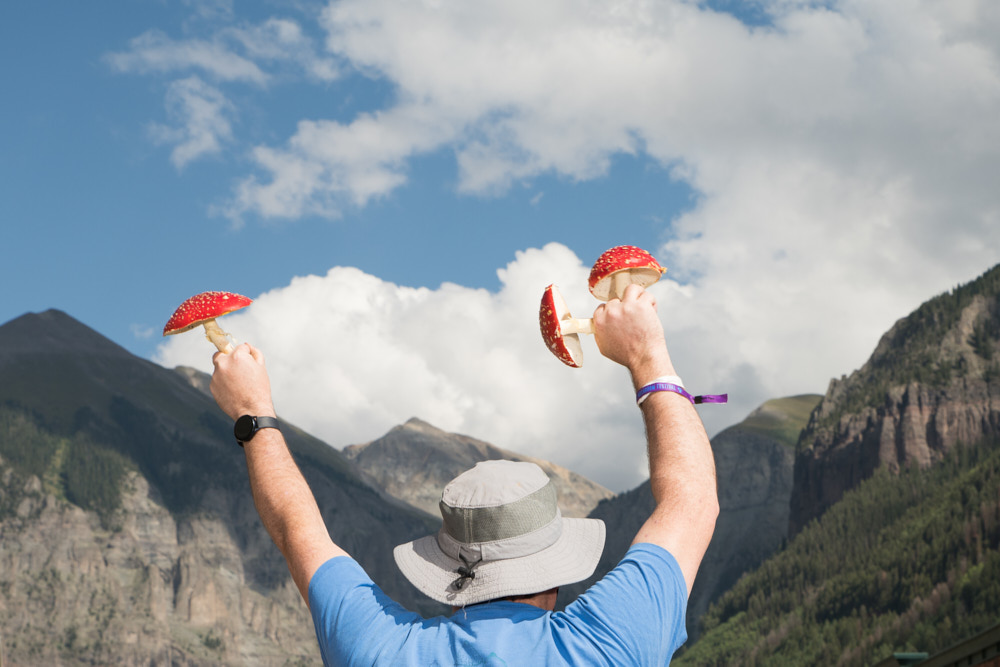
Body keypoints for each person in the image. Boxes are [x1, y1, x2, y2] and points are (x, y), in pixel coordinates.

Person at [210, 283, 719, 665]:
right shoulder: (612, 639)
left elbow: (298, 532)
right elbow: (692, 501)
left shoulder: (382, 649)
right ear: (555, 566)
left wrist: (253, 414)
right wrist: (648, 356)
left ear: (448, 566)